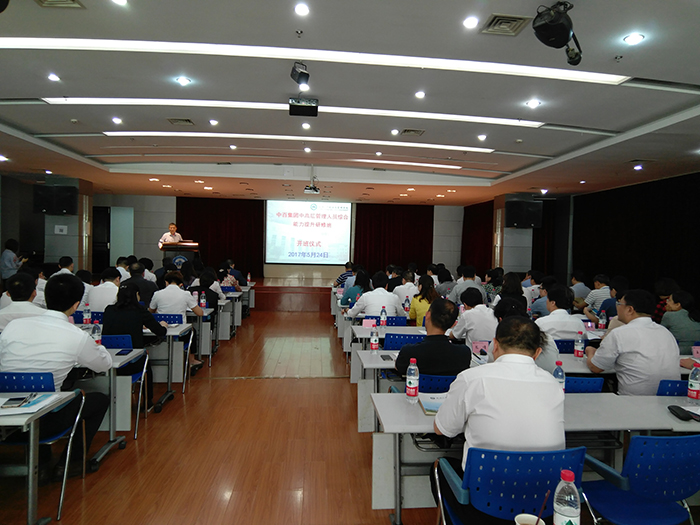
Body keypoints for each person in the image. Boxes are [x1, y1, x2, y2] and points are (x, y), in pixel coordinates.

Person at [431, 316, 565, 524]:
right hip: (541, 504)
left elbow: (442, 429)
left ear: (494, 345)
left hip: (484, 505)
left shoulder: (472, 378)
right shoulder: (554, 384)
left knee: (439, 467)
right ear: (537, 352)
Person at [0, 274, 112, 481]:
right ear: (76, 305)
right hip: (44, 424)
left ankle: (41, 463)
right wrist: (99, 346)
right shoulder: (76, 335)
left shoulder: (13, 326)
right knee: (97, 400)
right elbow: (104, 365)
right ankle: (70, 463)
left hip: (5, 421)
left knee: (42, 394)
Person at [586, 289, 681, 395]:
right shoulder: (666, 332)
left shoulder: (619, 333)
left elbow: (596, 367)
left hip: (632, 400)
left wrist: (590, 351)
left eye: (619, 304)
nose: (617, 307)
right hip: (669, 399)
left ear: (630, 309)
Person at [103, 282, 168, 408]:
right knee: (146, 363)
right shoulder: (140, 311)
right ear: (136, 295)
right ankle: (147, 401)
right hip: (132, 363)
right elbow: (159, 332)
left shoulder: (109, 310)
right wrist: (163, 326)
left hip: (109, 362)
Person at [395, 298, 471, 376]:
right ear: (453, 324)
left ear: (427, 315)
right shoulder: (464, 353)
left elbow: (399, 368)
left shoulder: (409, 352)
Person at [149, 271, 204, 372]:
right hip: (181, 333)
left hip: (161, 331)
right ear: (181, 284)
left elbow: (150, 312)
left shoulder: (157, 294)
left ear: (166, 282)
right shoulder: (185, 294)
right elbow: (200, 313)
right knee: (192, 331)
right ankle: (191, 360)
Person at [662, 291, 700, 355]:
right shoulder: (696, 315)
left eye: (669, 300)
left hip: (678, 352)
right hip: (697, 353)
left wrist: (668, 312)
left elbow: (661, 334)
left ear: (678, 305)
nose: (666, 302)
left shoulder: (669, 315)